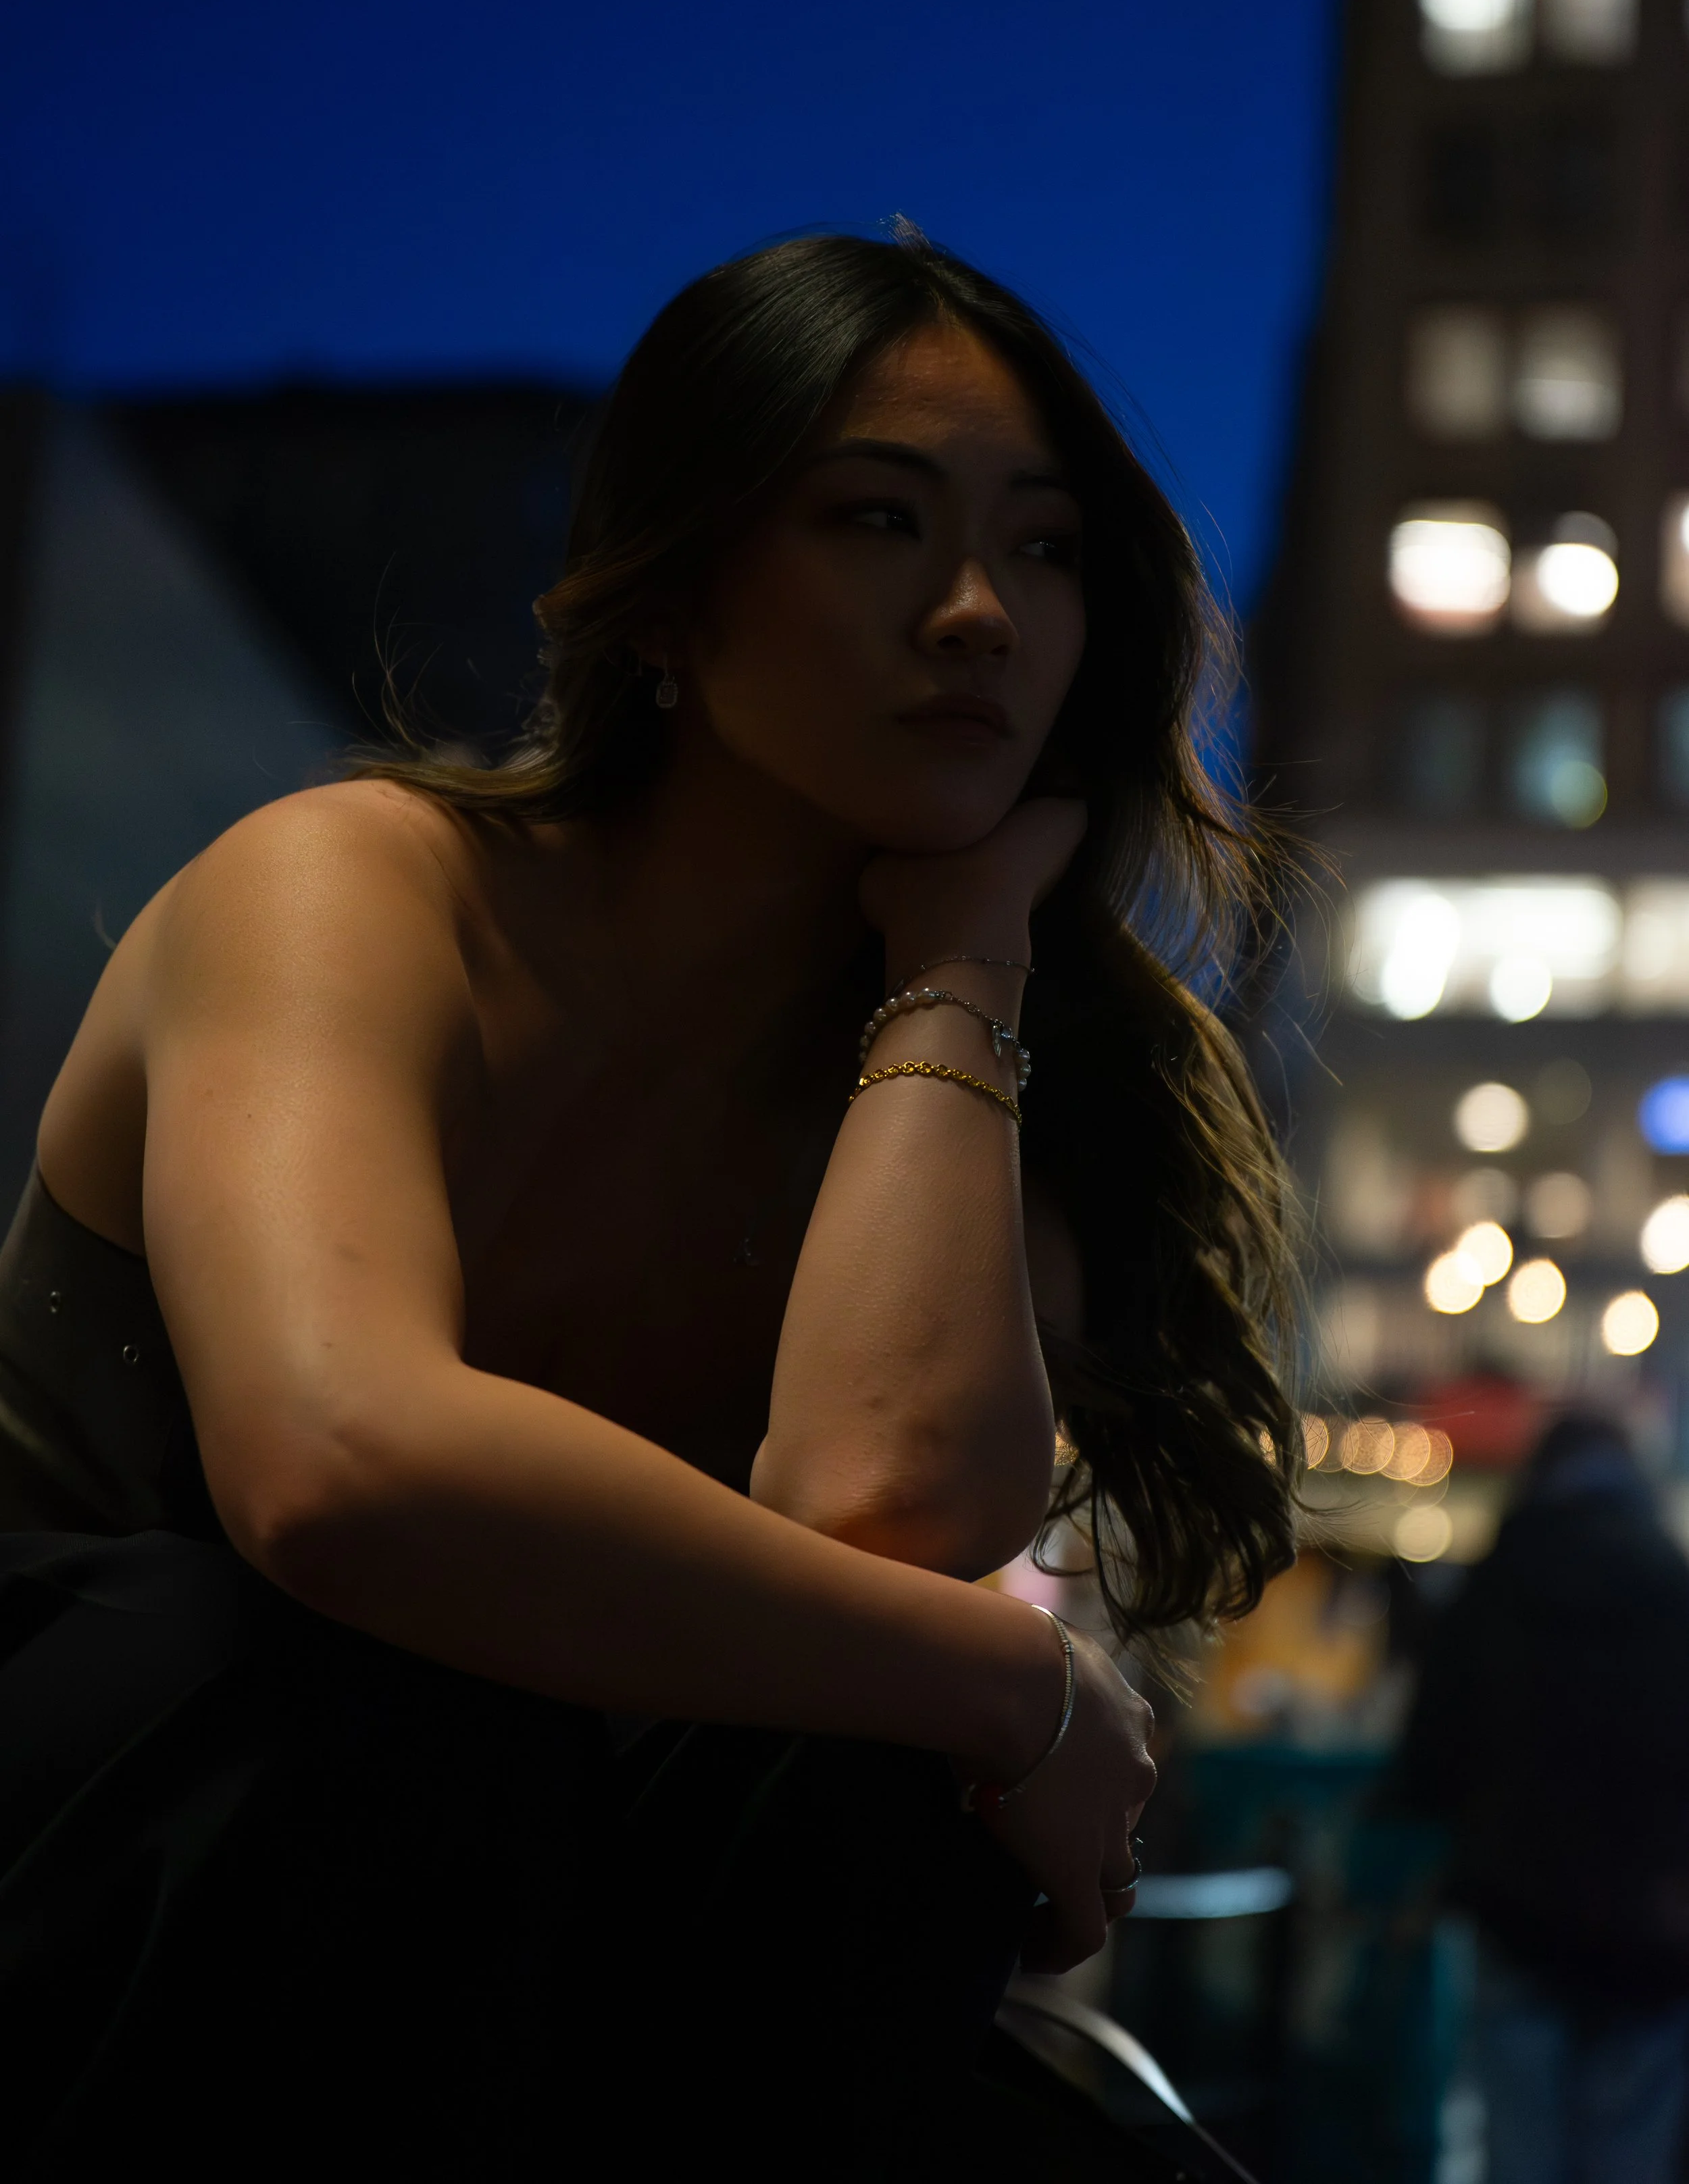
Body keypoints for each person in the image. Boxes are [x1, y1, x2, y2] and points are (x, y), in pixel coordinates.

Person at [0, 229, 1302, 2179]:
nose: (978, 613)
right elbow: (336, 1465)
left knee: (870, 1782)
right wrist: (1022, 1678)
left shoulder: (978, 1074)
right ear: (670, 596)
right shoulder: (357, 885)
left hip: (494, 1958)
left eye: (1042, 548)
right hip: (110, 1857)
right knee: (363, 1685)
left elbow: (879, 1523)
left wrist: (957, 965)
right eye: (879, 518)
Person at [1398, 1413, 1689, 2184]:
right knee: (1629, 2154)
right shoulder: (1672, 1579)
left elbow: (1431, 1749)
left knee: (1518, 2151)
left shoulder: (1500, 1575)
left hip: (1518, 1912)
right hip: (1651, 1933)